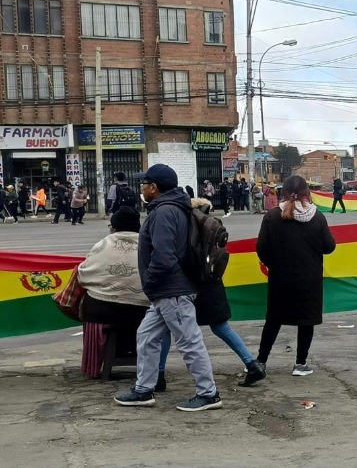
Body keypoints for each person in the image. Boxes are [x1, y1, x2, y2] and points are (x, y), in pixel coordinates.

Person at [113, 164, 221, 412]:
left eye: (144, 184)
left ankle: (209, 394)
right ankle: (143, 390)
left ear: (154, 187)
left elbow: (164, 256)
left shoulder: (164, 212)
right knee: (146, 336)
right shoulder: (175, 208)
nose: (141, 188)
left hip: (171, 290)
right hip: (168, 290)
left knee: (189, 342)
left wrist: (150, 281)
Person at [156, 198, 266, 389]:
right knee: (220, 327)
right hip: (212, 284)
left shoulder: (191, 228)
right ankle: (252, 364)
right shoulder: (213, 226)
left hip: (189, 285)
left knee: (166, 326)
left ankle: (158, 375)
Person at [253, 175, 337, 377]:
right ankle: (300, 364)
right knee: (306, 320)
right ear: (307, 193)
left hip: (280, 278)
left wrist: (274, 264)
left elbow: (261, 248)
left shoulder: (272, 216)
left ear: (283, 193)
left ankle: (261, 361)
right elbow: (329, 247)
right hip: (310, 279)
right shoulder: (317, 217)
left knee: (273, 320)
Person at [78, 207, 150, 379]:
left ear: (115, 227)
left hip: (102, 311)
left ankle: (94, 363)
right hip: (141, 312)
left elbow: (83, 275)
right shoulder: (147, 243)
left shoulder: (103, 244)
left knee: (88, 300)